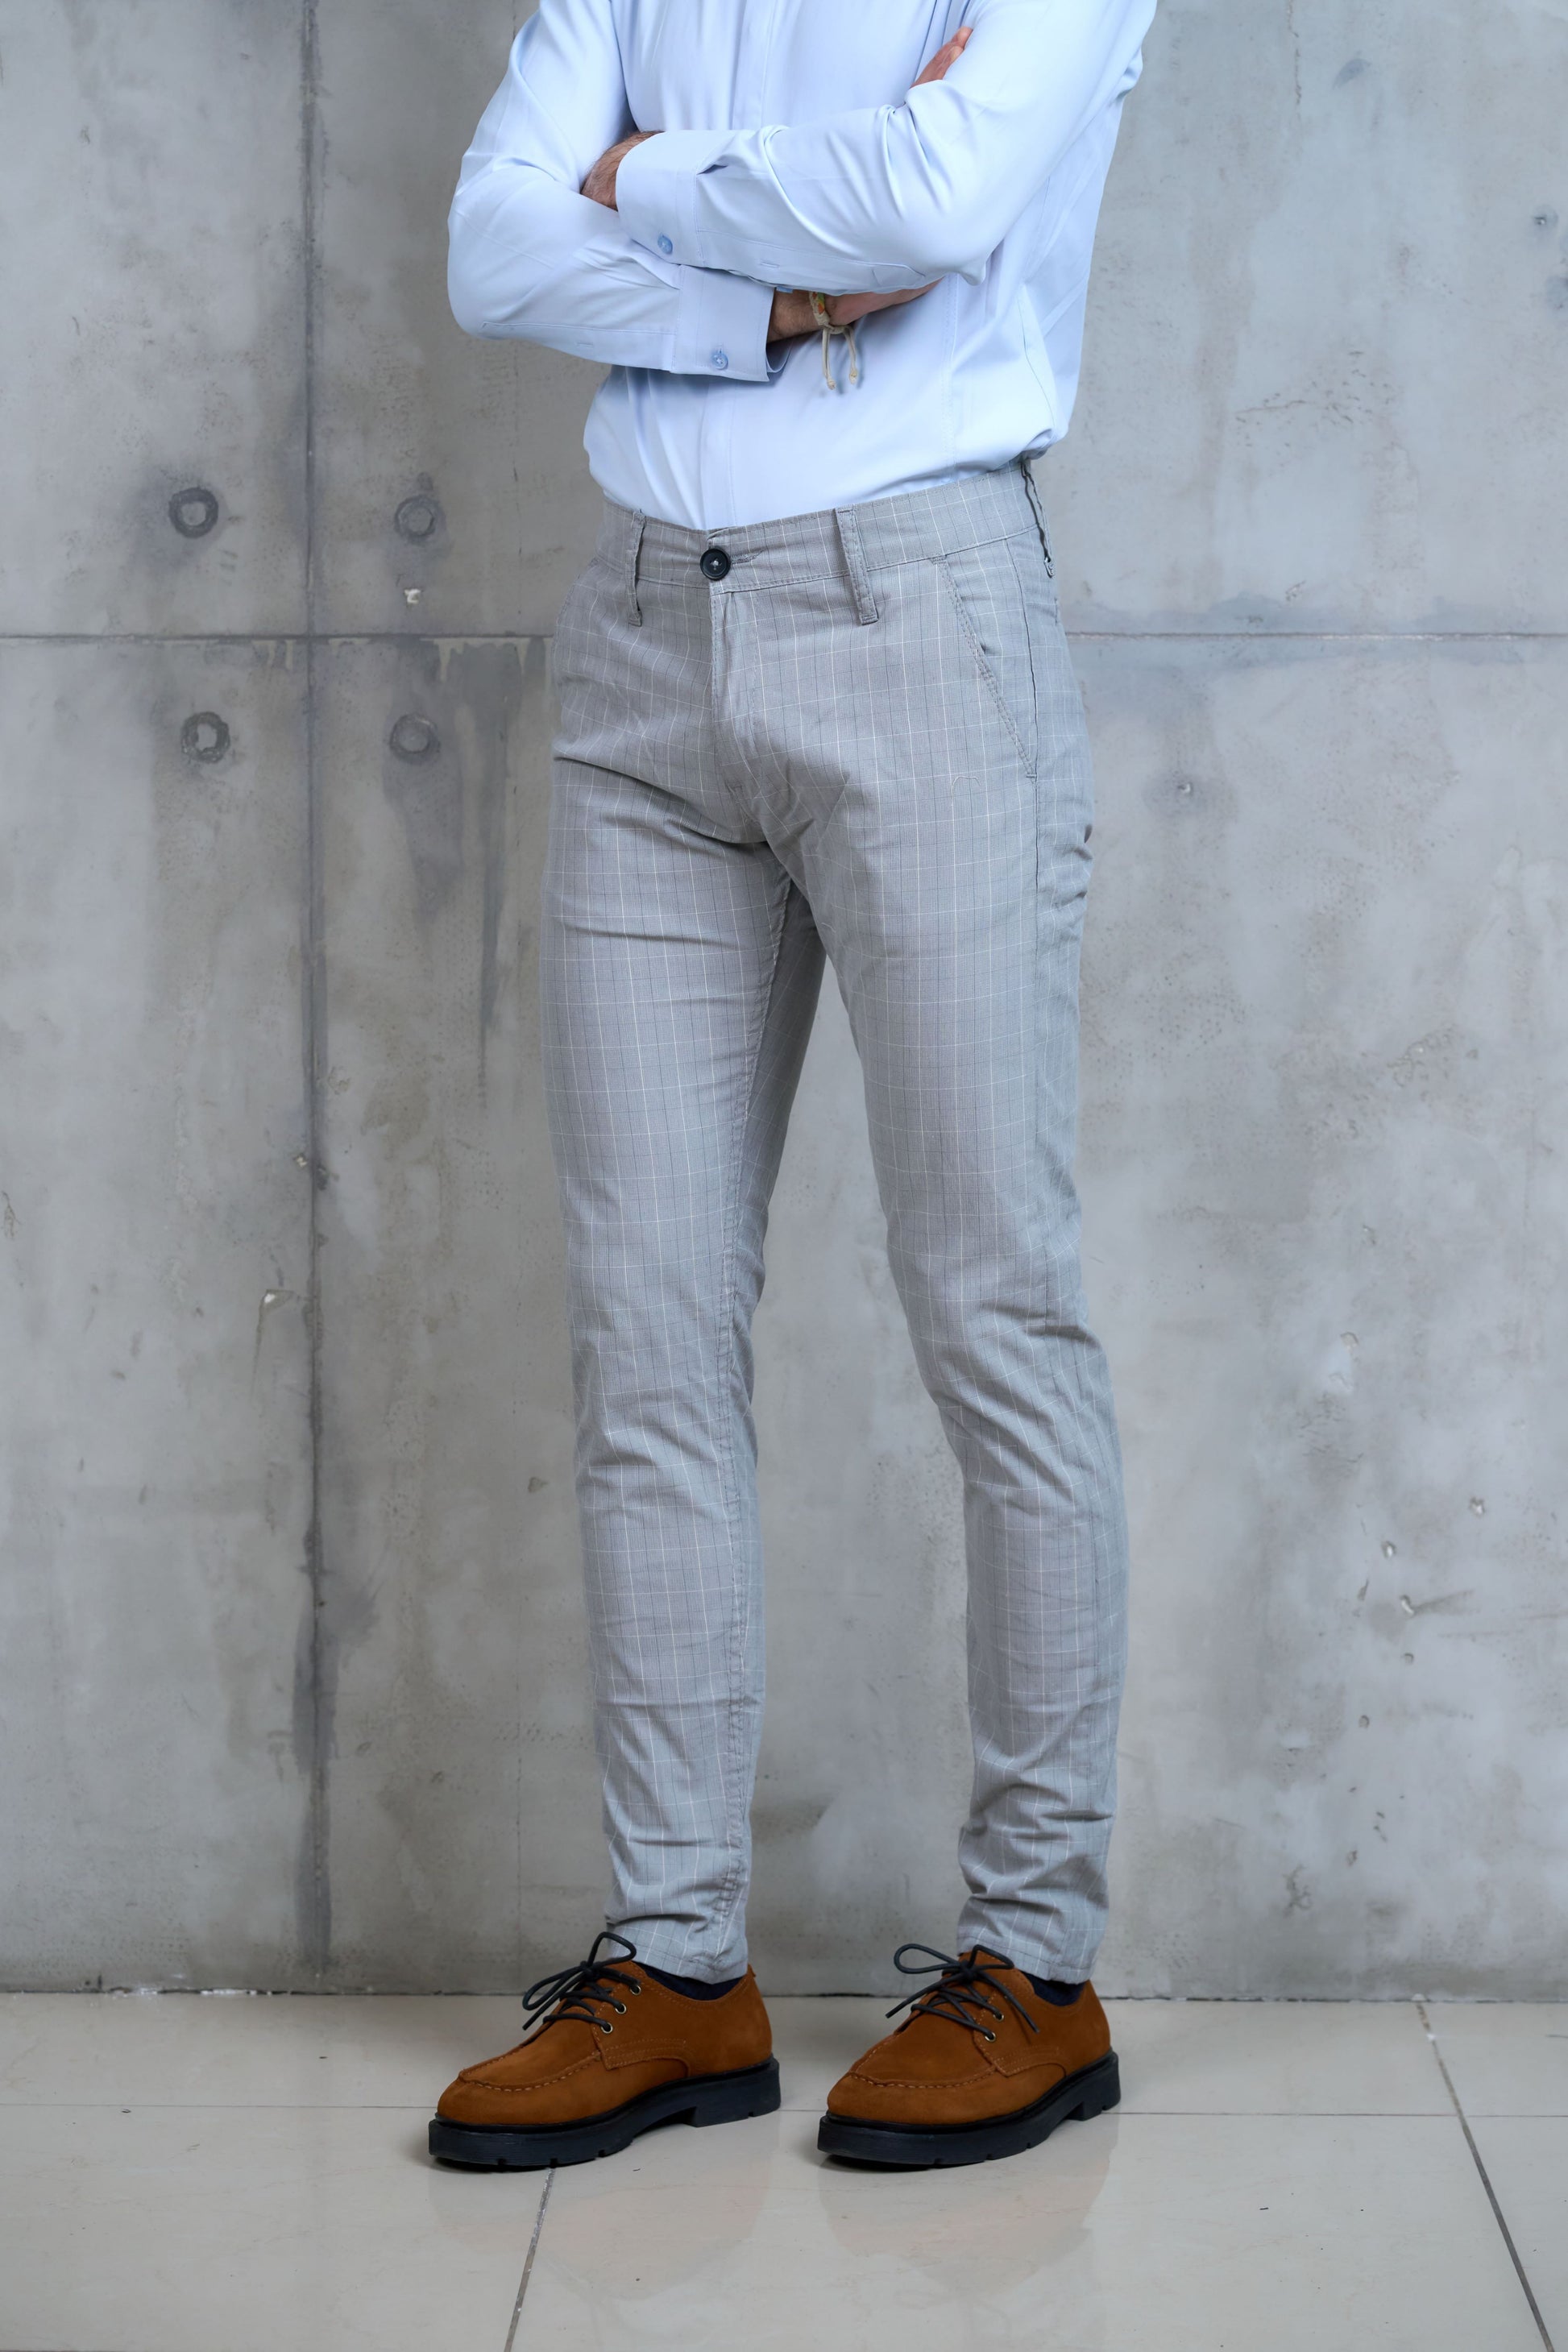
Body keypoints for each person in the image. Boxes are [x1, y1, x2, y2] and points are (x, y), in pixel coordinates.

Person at [429, 0, 1155, 2174]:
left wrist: (638, 185)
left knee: (996, 1310)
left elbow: (940, 196)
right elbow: (489, 244)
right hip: (646, 644)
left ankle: (1037, 1967)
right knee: (645, 1334)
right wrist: (771, 295)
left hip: (920, 611)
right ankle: (680, 1970)